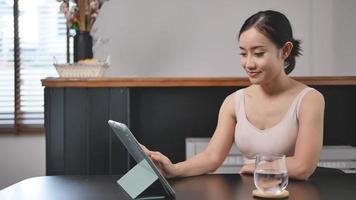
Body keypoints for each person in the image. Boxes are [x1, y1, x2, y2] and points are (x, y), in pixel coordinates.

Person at [141, 10, 325, 181]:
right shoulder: (234, 101)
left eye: (259, 53)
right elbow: (212, 157)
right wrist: (173, 169)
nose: (249, 64)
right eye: (243, 54)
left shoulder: (309, 99)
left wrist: (253, 166)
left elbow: (303, 167)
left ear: (285, 51)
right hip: (251, 192)